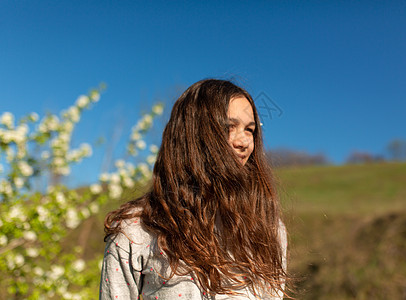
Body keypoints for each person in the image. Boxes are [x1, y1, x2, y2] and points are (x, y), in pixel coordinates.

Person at [99, 79, 288, 299]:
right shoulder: (137, 229)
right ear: (193, 134)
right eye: (229, 127)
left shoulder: (266, 227)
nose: (244, 141)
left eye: (250, 130)